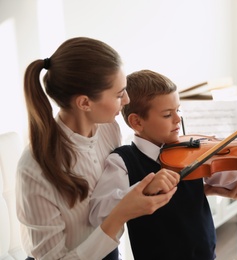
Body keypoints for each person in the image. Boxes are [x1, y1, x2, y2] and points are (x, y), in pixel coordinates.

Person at [89, 69, 237, 260]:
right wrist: (142, 187)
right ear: (137, 121)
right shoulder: (122, 161)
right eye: (168, 114)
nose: (178, 119)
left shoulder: (190, 152)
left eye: (178, 110)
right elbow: (100, 211)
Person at [16, 38, 179, 260]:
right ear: (84, 103)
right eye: (120, 94)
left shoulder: (109, 129)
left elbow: (115, 188)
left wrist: (201, 188)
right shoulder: (34, 169)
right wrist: (120, 215)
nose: (127, 100)